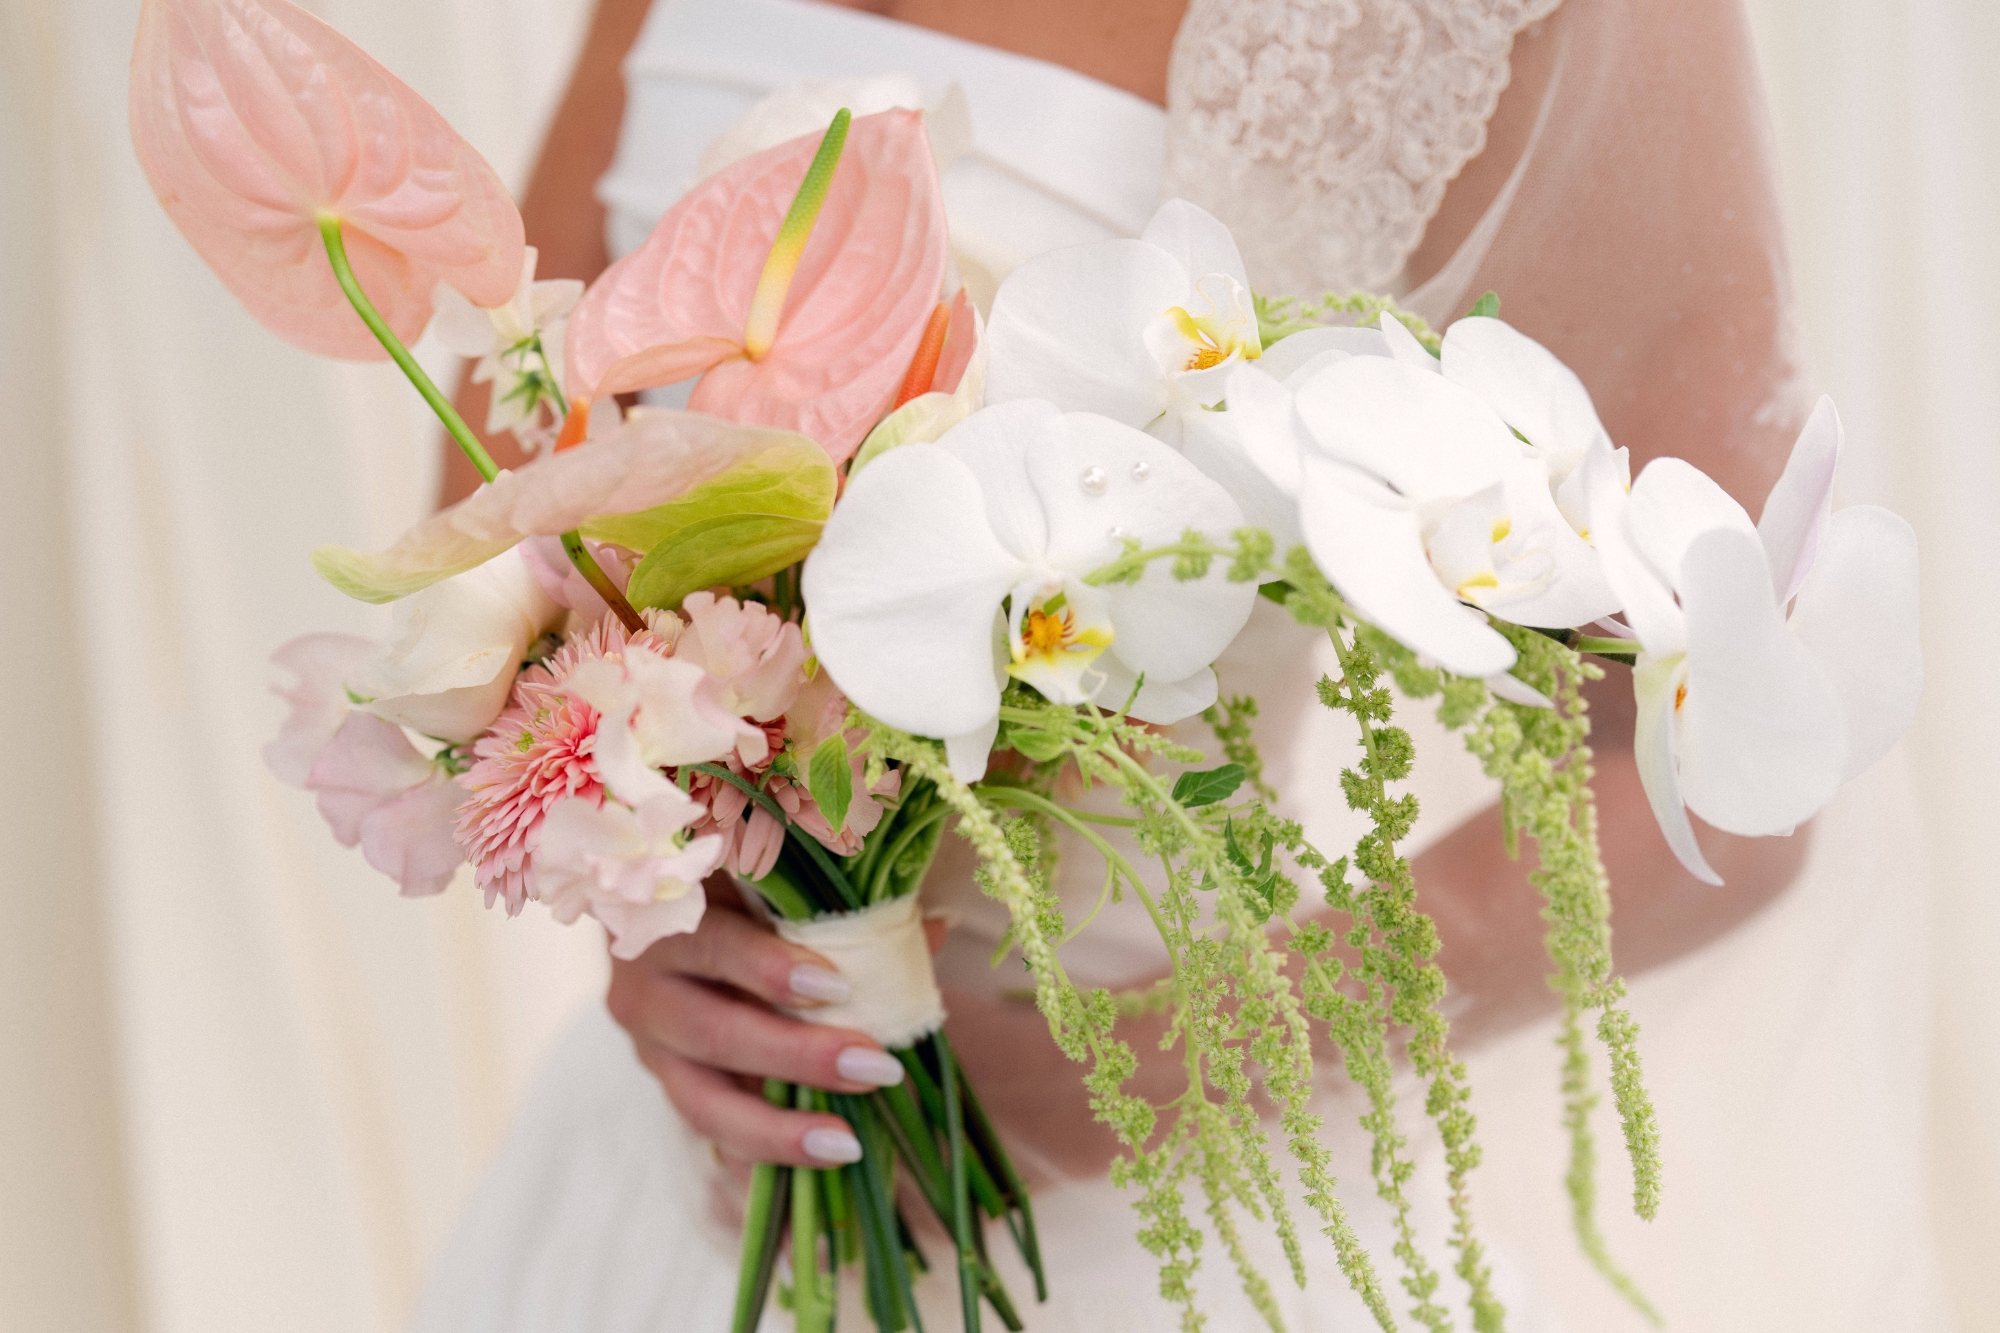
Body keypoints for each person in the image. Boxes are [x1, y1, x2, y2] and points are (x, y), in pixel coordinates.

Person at [417, 1, 1949, 1328]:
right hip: (678, 1161)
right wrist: (646, 905)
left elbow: (1732, 782)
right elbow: (498, 484)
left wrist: (1138, 1077)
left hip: (1117, 1205)